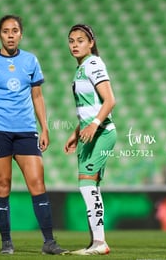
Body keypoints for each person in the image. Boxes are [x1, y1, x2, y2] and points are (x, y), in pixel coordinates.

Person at [0, 14, 67, 255]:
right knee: (3, 186)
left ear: (21, 34)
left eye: (15, 30)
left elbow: (37, 95)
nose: (11, 35)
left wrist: (44, 127)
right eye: (6, 31)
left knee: (38, 184)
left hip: (26, 131)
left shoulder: (30, 61)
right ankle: (6, 242)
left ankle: (49, 242)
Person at [64, 24, 116, 255]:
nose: (75, 44)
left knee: (86, 183)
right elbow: (89, 108)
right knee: (90, 186)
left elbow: (109, 101)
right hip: (91, 134)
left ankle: (99, 243)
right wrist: (76, 133)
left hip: (102, 132)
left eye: (80, 40)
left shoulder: (93, 63)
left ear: (91, 43)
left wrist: (94, 125)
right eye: (72, 40)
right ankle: (96, 242)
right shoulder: (81, 68)